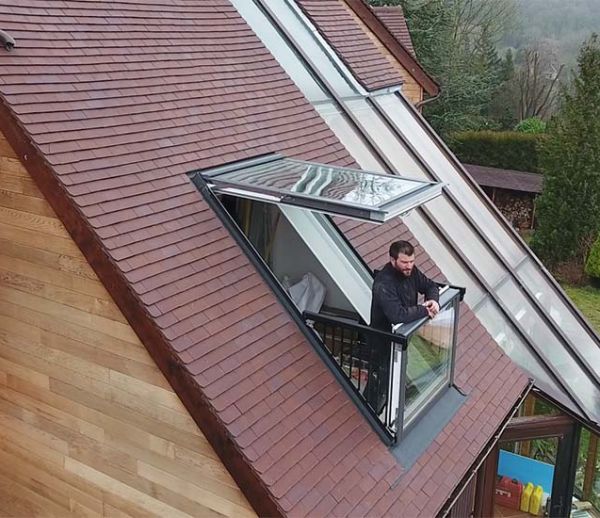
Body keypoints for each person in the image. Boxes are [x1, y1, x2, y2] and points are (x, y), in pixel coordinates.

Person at [366, 240, 440, 414]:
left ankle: (382, 410)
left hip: (400, 338)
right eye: (405, 262)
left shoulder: (411, 272)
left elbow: (430, 286)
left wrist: (434, 300)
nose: (409, 266)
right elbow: (397, 315)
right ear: (393, 260)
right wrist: (424, 310)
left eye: (412, 261)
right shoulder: (383, 283)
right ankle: (371, 415)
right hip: (383, 341)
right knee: (380, 381)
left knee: (391, 378)